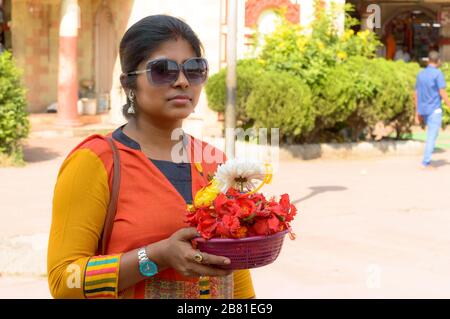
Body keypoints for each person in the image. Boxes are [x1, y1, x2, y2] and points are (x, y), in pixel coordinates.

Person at [47, 15, 255, 299]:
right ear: (129, 84)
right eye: (162, 70)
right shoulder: (96, 161)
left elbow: (236, 272)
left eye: (194, 69)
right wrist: (154, 257)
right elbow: (63, 282)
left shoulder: (216, 163)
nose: (182, 82)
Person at [414, 51, 450, 169]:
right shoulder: (438, 74)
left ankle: (426, 160)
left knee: (430, 134)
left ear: (428, 60)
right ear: (438, 61)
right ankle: (426, 162)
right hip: (434, 109)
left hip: (423, 109)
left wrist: (417, 112)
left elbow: (416, 94)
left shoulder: (420, 74)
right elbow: (442, 92)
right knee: (431, 136)